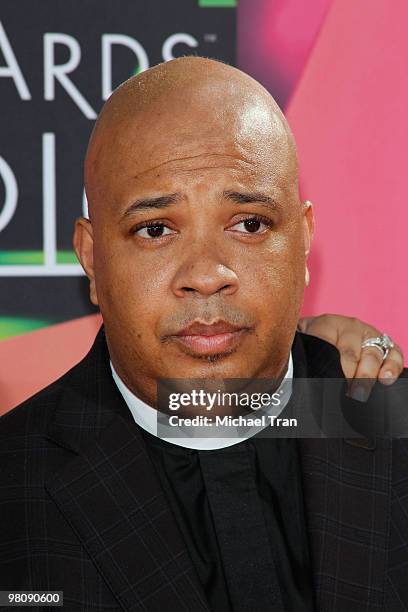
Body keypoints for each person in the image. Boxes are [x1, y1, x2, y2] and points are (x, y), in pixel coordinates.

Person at [0, 57, 406, 612]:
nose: (207, 273)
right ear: (92, 260)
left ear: (304, 241)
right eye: (156, 230)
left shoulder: (391, 419)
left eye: (250, 224)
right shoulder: (12, 479)